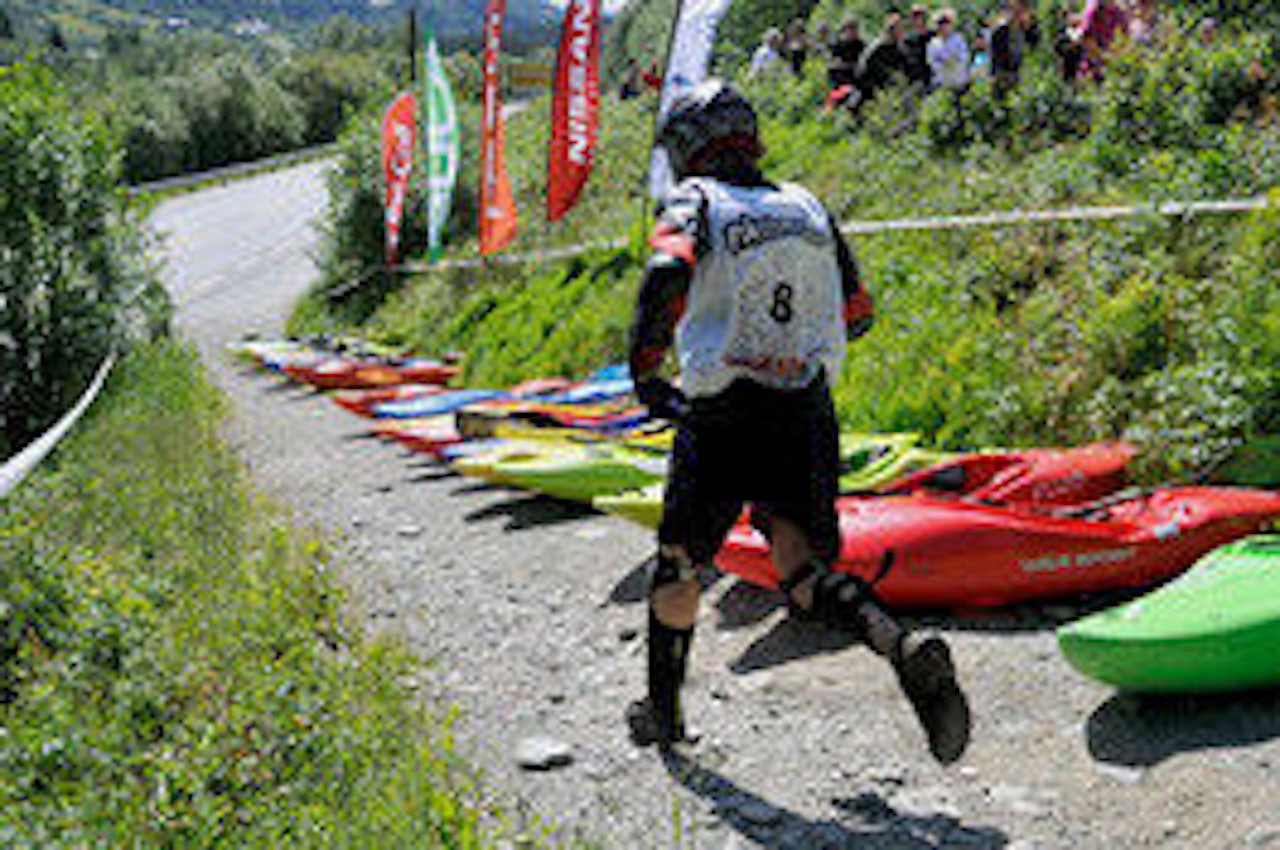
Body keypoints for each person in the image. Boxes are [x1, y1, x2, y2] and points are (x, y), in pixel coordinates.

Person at [624, 79, 972, 765]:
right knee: (800, 567)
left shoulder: (695, 200)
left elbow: (668, 272)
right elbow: (859, 311)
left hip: (724, 406)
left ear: (690, 147)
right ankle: (899, 646)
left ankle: (663, 715)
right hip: (805, 405)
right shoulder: (807, 205)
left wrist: (645, 368)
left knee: (679, 561)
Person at [857, 14, 909, 105]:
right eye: (899, 28)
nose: (902, 31)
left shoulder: (898, 46)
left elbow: (904, 66)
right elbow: (865, 67)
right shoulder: (879, 46)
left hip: (887, 87)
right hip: (871, 87)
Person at [927, 8, 970, 90]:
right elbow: (931, 61)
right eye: (941, 24)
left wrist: (953, 61)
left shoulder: (959, 39)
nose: (943, 27)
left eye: (946, 23)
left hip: (959, 81)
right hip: (941, 81)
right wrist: (943, 63)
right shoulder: (933, 43)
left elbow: (964, 57)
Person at [902, 4, 935, 89]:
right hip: (913, 80)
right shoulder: (907, 40)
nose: (915, 20)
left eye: (917, 17)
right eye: (913, 17)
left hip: (931, 78)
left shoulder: (932, 37)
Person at [827, 20, 866, 88]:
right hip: (838, 78)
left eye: (855, 29)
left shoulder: (861, 44)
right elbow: (833, 64)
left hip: (855, 79)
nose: (854, 32)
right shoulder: (838, 44)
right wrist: (850, 65)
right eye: (851, 29)